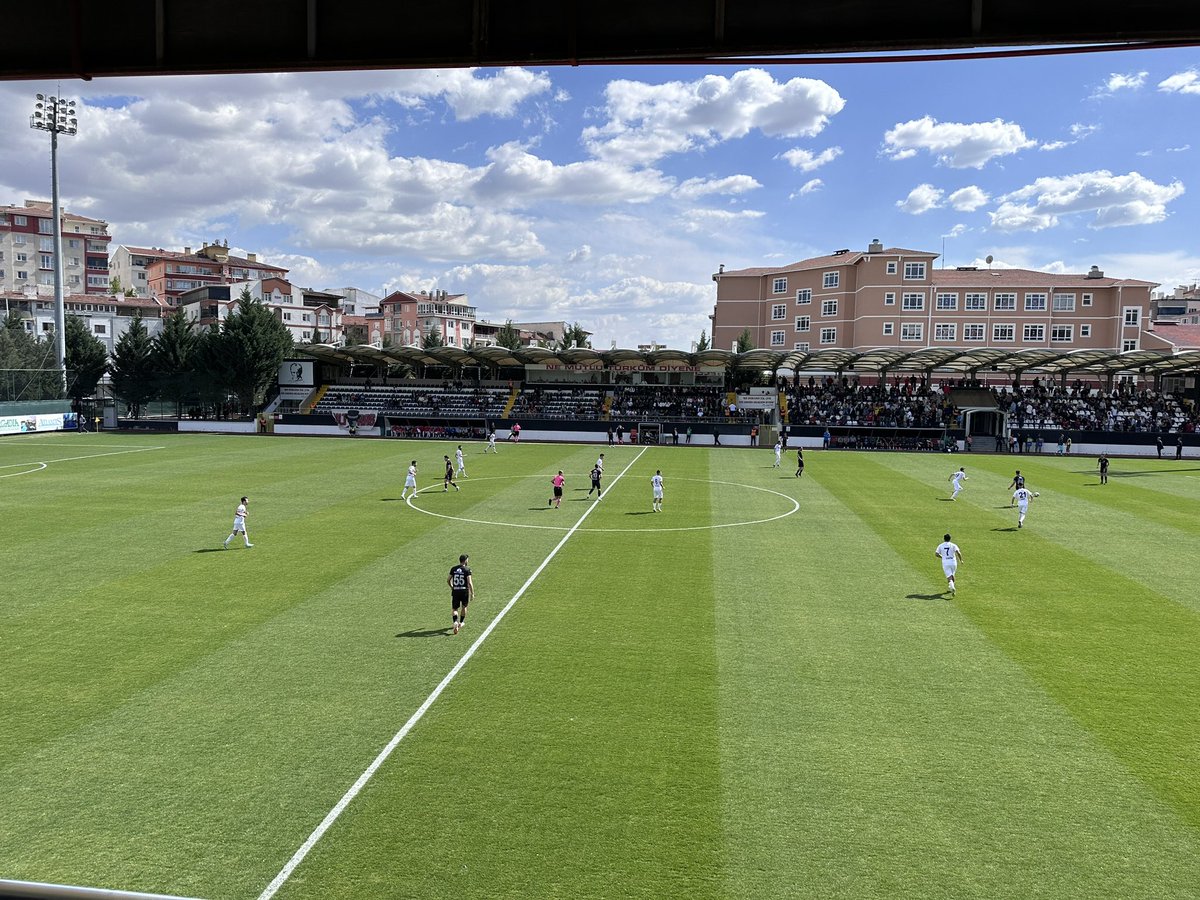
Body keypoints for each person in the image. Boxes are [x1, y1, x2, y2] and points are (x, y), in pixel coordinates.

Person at [448, 553, 475, 635]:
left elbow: (448, 580)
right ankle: (461, 622)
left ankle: (455, 621)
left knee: (455, 609)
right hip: (464, 591)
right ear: (465, 560)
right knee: (464, 606)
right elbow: (469, 583)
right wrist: (472, 593)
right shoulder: (467, 569)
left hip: (455, 591)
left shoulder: (453, 569)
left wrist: (452, 587)